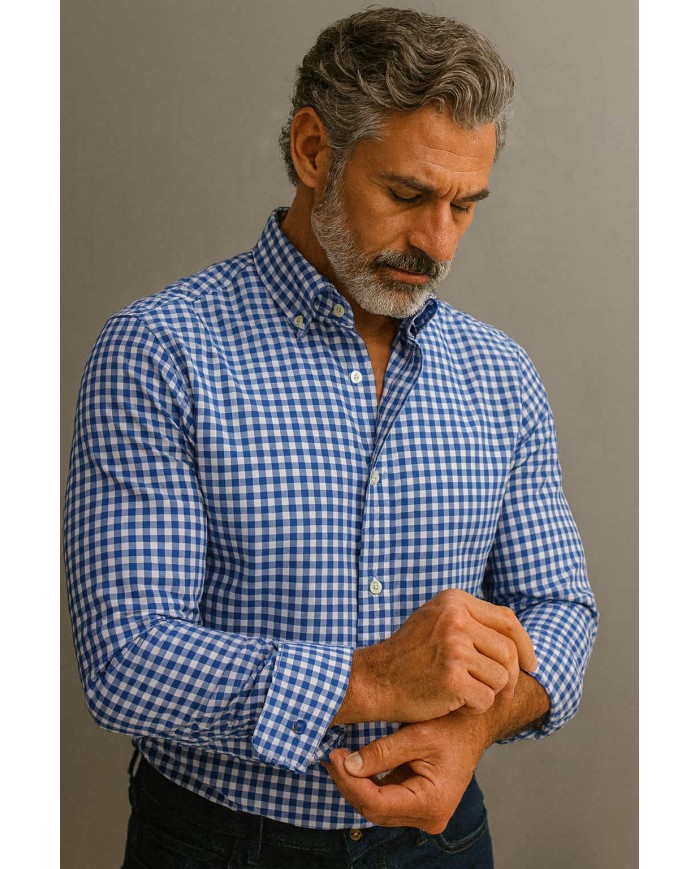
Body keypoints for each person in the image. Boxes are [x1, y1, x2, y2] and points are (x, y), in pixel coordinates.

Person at [64, 7, 598, 867]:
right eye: (408, 195)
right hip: (222, 842)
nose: (437, 242)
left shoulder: (502, 374)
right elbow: (127, 660)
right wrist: (376, 678)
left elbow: (559, 609)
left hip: (442, 840)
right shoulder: (161, 351)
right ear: (314, 150)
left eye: (465, 205)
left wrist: (476, 726)